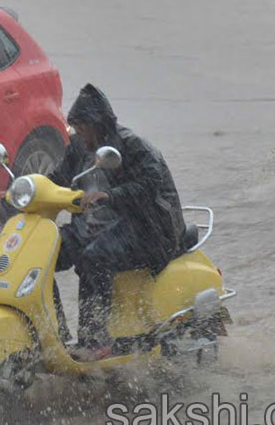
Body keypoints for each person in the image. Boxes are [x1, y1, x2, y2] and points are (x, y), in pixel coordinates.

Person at [48, 83, 187, 358]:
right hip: (100, 225)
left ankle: (95, 341)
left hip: (150, 229)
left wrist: (110, 196)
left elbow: (150, 186)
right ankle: (53, 336)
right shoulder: (77, 146)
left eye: (83, 127)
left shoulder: (132, 146)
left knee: (94, 257)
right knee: (44, 254)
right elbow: (58, 179)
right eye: (75, 127)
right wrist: (25, 189)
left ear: (97, 124)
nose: (79, 133)